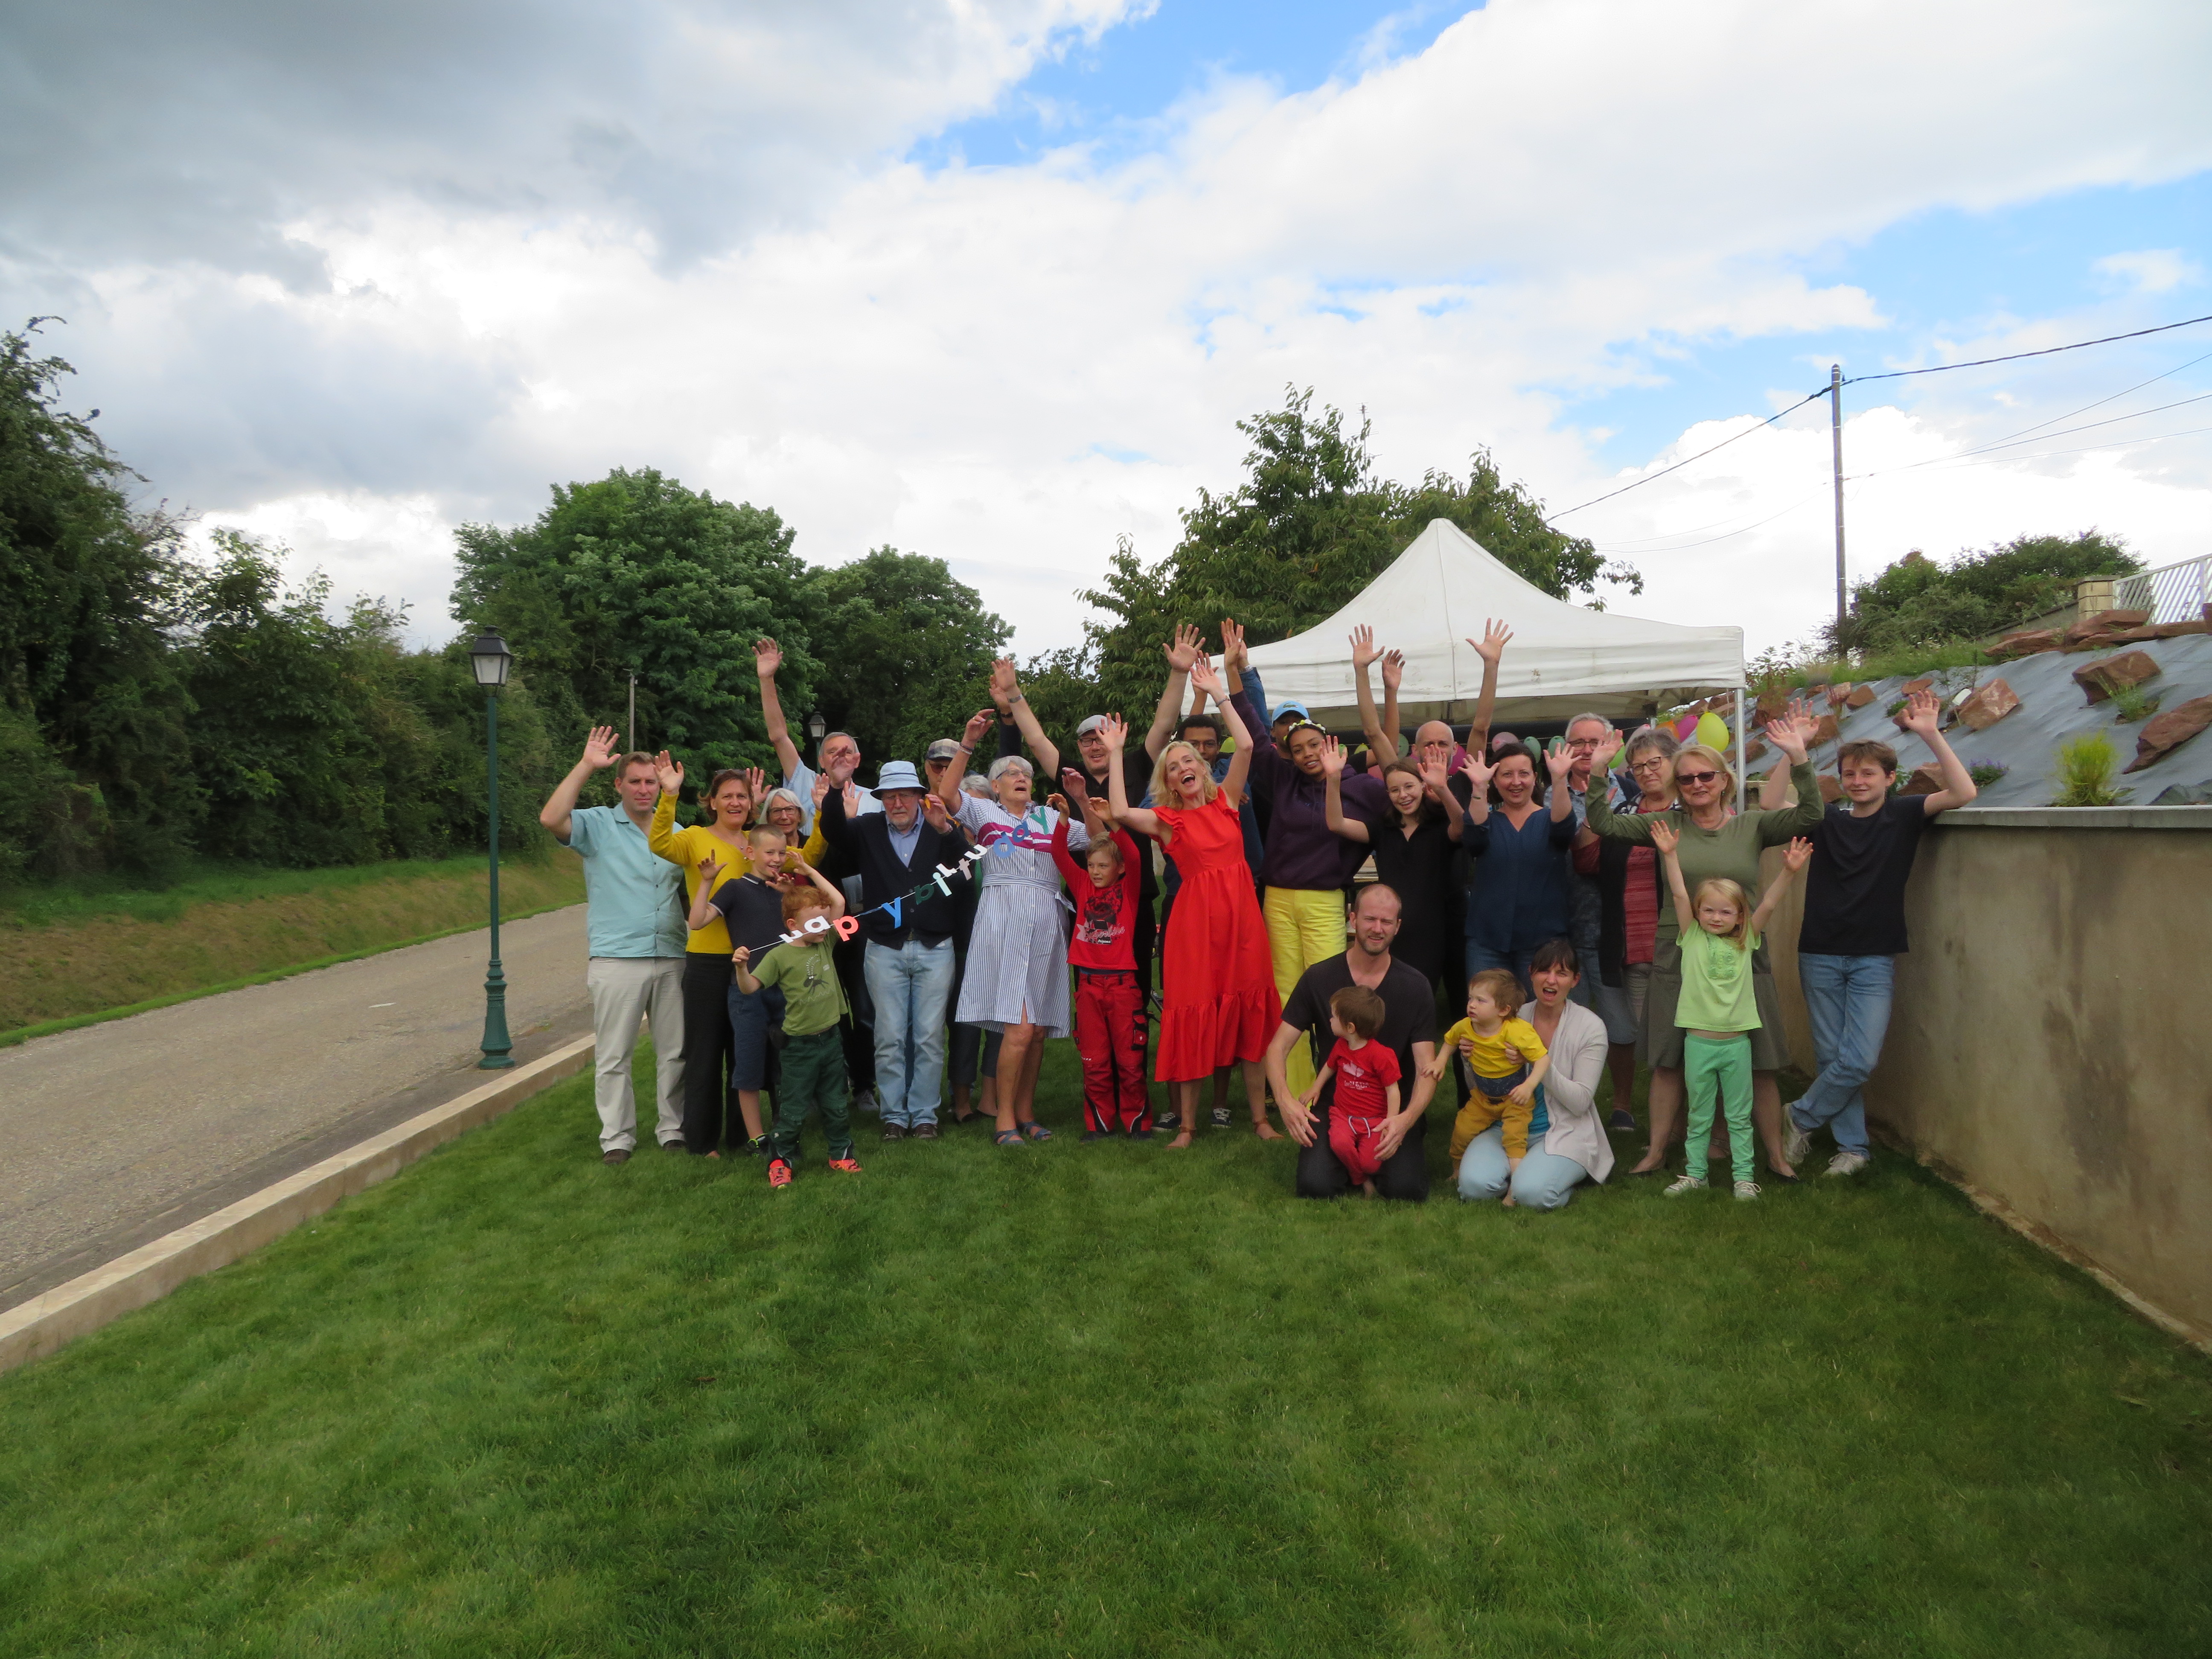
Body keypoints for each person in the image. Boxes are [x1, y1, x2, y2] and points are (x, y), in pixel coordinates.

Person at [1585, 711, 1823, 1179]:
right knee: (1668, 1058)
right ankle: (1656, 1151)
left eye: (1705, 776)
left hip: (1743, 954)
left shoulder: (1752, 826)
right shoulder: (1665, 825)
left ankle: (1776, 1156)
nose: (1696, 784)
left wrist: (1799, 758)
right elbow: (1603, 824)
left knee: (1761, 1062)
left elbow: (1811, 816)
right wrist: (1597, 771)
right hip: (1678, 953)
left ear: (1724, 780)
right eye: (1686, 778)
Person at [1785, 688, 1977, 1176]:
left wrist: (1931, 734)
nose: (1857, 781)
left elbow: (1964, 793)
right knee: (1832, 1056)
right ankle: (1853, 1148)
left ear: (1890, 778)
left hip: (1874, 955)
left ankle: (1799, 1117)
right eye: (1849, 774)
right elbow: (1772, 803)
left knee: (1859, 1059)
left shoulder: (1904, 814)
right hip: (1820, 952)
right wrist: (1794, 752)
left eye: (1868, 773)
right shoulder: (1825, 821)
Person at [1100, 670, 1281, 1146]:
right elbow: (1120, 812)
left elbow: (1246, 746)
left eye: (1189, 759)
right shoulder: (1168, 821)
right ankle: (1187, 1126)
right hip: (1195, 929)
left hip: (1242, 923)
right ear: (1168, 781)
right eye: (1173, 764)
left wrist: (1221, 694)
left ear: (1203, 768)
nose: (1183, 766)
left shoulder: (1227, 800)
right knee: (1192, 1016)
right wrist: (1117, 754)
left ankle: (1261, 1121)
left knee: (1250, 1015)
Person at [1220, 617, 1389, 1106]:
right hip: (1278, 899)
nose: (1308, 754)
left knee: (1332, 998)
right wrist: (1235, 671)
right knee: (1286, 996)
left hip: (1324, 901)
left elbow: (1395, 776)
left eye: (1314, 744)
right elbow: (1253, 729)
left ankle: (1339, 1089)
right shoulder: (1283, 779)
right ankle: (1294, 1097)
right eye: (1298, 749)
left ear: (1331, 744)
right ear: (1289, 756)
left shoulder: (1361, 788)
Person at [933, 712, 1089, 1144]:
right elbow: (946, 795)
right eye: (1011, 773)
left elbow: (1098, 837)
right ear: (996, 786)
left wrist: (1080, 799)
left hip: (1047, 922)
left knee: (1036, 1031)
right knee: (1019, 1027)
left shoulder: (1050, 818)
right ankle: (1003, 1119)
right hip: (1004, 919)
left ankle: (1026, 1113)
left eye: (1026, 774)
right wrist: (968, 742)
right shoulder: (985, 812)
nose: (1021, 777)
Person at [538, 728, 687, 1165]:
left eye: (651, 782)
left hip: (672, 954)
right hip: (618, 958)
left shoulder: (677, 831)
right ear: (619, 785)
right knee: (614, 1055)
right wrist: (587, 764)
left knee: (675, 1052)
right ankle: (617, 1138)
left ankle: (673, 1129)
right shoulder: (598, 824)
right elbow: (551, 819)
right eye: (635, 781)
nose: (644, 789)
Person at [1649, 819, 1811, 1199]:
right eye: (1709, 910)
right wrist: (1670, 855)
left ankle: (1744, 1178)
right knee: (1699, 1114)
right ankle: (1695, 1175)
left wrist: (1789, 872)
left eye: (1725, 912)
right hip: (1698, 1044)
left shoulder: (1747, 939)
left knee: (1739, 1116)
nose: (1716, 918)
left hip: (1737, 1046)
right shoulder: (1691, 937)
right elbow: (1678, 894)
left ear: (1740, 916)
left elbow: (1768, 903)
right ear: (1698, 912)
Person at [753, 635, 880, 1115]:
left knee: (861, 1005)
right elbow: (779, 736)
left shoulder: (875, 800)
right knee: (812, 1000)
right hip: (809, 917)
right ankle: (819, 1084)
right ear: (822, 760)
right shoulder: (806, 783)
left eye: (849, 751)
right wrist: (768, 680)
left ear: (858, 760)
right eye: (833, 751)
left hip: (857, 915)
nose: (841, 756)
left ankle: (863, 1084)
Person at [817, 761, 971, 1141]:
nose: (897, 803)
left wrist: (945, 830)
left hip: (935, 945)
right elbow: (833, 831)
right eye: (889, 796)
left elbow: (967, 868)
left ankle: (924, 1115)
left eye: (904, 795)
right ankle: (895, 1116)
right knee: (889, 1037)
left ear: (919, 796)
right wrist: (835, 790)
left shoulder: (938, 826)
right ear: (881, 799)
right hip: (885, 947)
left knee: (929, 1036)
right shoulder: (867, 829)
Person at [1266, 883, 1442, 1201]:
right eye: (1370, 919)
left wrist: (1406, 1120)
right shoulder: (1319, 977)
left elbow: (1426, 1068)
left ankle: (1365, 1164)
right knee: (1315, 1186)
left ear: (1398, 926)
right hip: (1337, 1106)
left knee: (1406, 1189)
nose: (1378, 929)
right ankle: (1351, 1164)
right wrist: (1285, 1102)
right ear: (1353, 919)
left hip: (1391, 1109)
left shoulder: (1416, 986)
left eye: (1387, 922)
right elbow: (1278, 1047)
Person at [648, 756, 765, 1156]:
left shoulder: (754, 845)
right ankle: (701, 1140)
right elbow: (659, 843)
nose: (735, 803)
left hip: (749, 961)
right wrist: (668, 795)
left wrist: (819, 818)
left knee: (743, 1052)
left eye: (742, 796)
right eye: (727, 796)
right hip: (707, 964)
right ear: (712, 802)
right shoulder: (695, 837)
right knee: (705, 1053)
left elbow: (800, 859)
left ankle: (741, 1136)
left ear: (751, 803)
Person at [1454, 938, 1615, 1208]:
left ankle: (1546, 1176)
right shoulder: (1509, 1017)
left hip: (1563, 1129)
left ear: (1575, 981)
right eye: (1544, 971)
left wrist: (1538, 1062)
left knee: (1532, 1194)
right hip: (1507, 1124)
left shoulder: (1590, 1027)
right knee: (1473, 1188)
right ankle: (1526, 1173)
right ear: (1531, 974)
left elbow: (1580, 1103)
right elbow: (1481, 1089)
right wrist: (1470, 1060)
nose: (1551, 980)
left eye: (1562, 973)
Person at [735, 859, 860, 1188]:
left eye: (825, 921)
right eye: (815, 923)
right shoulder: (779, 956)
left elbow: (839, 902)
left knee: (836, 1105)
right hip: (799, 1048)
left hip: (831, 1042)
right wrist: (741, 968)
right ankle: (781, 1161)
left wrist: (810, 872)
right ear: (793, 925)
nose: (824, 927)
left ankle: (840, 1154)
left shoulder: (826, 941)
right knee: (792, 1111)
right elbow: (750, 988)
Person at [1575, 726, 1676, 1129]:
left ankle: (1695, 1125)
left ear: (1674, 763)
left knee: (1687, 1037)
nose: (1647, 772)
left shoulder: (1693, 810)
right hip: (1635, 946)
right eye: (1638, 766)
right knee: (1652, 1042)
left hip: (1683, 944)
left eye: (1655, 763)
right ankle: (1666, 1124)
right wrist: (1598, 806)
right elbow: (1587, 862)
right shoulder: (1625, 814)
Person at [1320, 738, 1465, 998]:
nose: (1403, 795)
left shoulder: (1440, 827)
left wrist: (1442, 789)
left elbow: (1463, 827)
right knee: (1384, 1000)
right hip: (1388, 931)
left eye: (1409, 787)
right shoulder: (1383, 829)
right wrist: (1333, 779)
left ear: (1423, 786)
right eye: (1395, 790)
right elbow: (1336, 824)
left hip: (1430, 933)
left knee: (1419, 998)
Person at [687, 822, 800, 1159]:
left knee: (788, 1066)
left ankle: (786, 1132)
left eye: (782, 853)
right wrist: (706, 881)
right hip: (749, 992)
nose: (777, 859)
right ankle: (757, 1139)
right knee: (748, 1067)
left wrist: (791, 895)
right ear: (750, 853)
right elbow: (697, 921)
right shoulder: (735, 889)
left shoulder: (785, 890)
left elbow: (818, 921)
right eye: (770, 853)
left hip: (786, 990)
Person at [1047, 782, 1151, 1140]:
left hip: (1123, 987)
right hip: (1089, 986)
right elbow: (1059, 854)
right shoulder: (1082, 886)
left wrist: (1113, 824)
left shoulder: (1128, 890)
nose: (1094, 871)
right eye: (1091, 865)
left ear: (1118, 869)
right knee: (1094, 1061)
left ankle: (1138, 1123)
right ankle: (1099, 1125)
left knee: (1131, 1062)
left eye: (1103, 865)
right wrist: (1064, 819)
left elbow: (1134, 856)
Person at [1455, 739, 1579, 992]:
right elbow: (1473, 837)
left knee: (1538, 1011)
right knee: (1486, 1008)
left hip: (1542, 942)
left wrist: (1559, 780)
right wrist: (1479, 786)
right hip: (1487, 941)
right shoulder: (1489, 821)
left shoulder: (1548, 819)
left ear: (1535, 778)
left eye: (1524, 774)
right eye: (1507, 775)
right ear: (1495, 780)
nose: (1516, 782)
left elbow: (1564, 829)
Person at [1435, 968, 1552, 1175]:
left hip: (1515, 1101)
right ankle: (1457, 1170)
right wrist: (1440, 1062)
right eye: (1471, 998)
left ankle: (1517, 1182)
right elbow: (1450, 1041)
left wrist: (1528, 1086)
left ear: (1504, 1010)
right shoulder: (1466, 1026)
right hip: (1482, 1099)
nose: (1472, 1005)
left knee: (1515, 1139)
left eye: (1481, 1001)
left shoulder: (1517, 1031)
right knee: (1462, 1131)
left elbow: (1543, 1059)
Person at [1303, 986, 1401, 1197]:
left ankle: (1362, 1171)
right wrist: (1316, 1088)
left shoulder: (1382, 1056)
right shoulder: (1341, 1046)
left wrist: (1390, 1122)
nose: (1329, 1020)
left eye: (1333, 1016)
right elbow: (1330, 1066)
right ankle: (1360, 1179)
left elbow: (1393, 1090)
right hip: (1343, 1115)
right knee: (1339, 1144)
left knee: (1370, 1163)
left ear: (1350, 1027)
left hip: (1373, 1121)